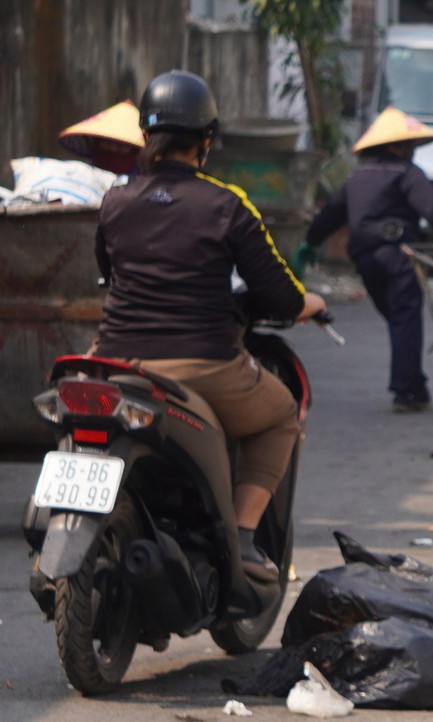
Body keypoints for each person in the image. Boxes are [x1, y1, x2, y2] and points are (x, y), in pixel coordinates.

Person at [91, 70, 319, 575]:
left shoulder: (114, 202)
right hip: (201, 366)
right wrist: (310, 304)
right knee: (282, 414)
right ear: (207, 141)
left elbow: (109, 274)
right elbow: (280, 295)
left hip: (113, 362)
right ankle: (242, 537)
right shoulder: (226, 204)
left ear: (146, 138)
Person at [304, 108, 433, 412]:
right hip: (399, 257)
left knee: (397, 321)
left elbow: (330, 215)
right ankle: (405, 391)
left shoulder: (356, 177)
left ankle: (415, 383)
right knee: (404, 320)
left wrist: (310, 243)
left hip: (365, 260)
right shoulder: (407, 174)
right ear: (398, 146)